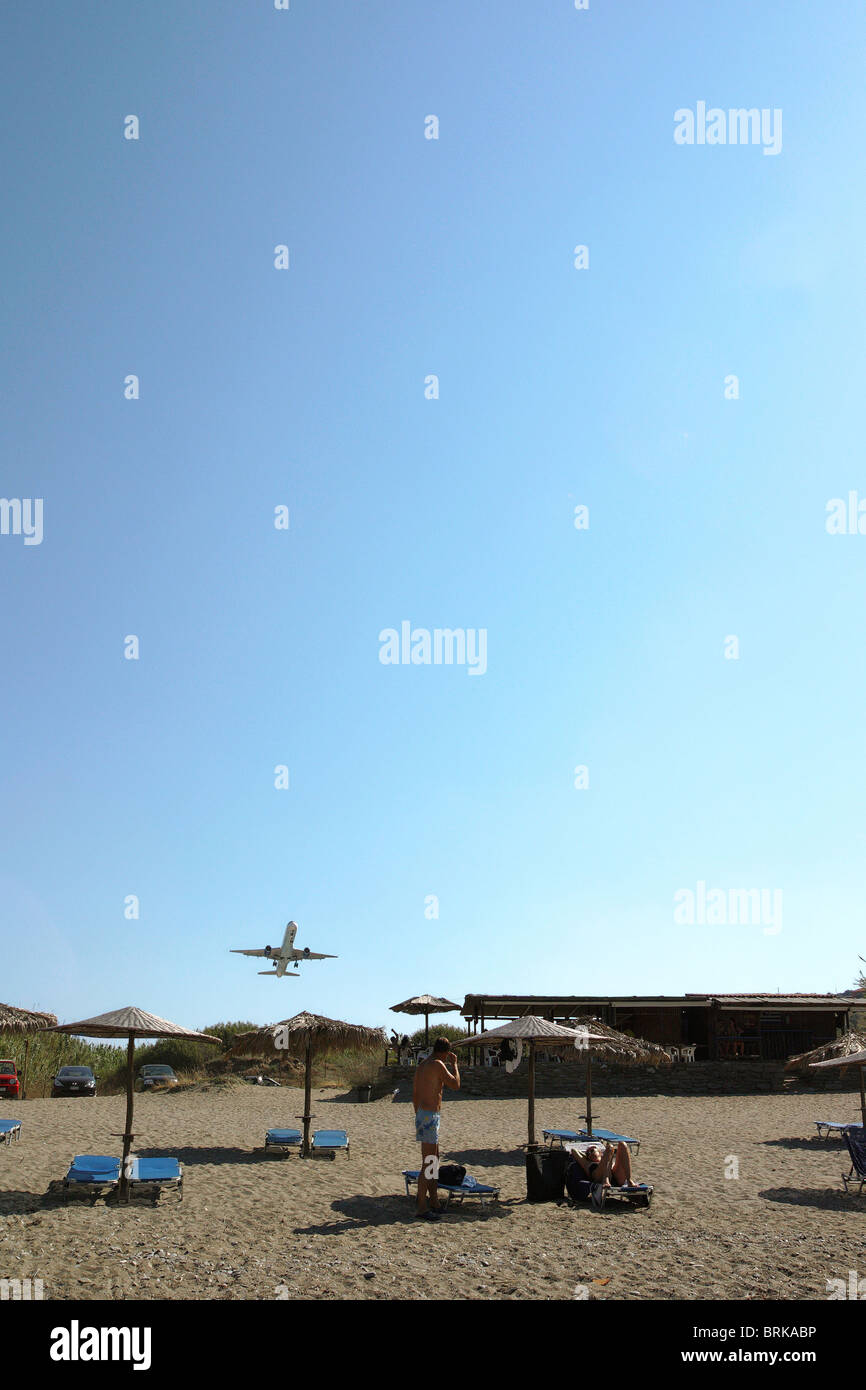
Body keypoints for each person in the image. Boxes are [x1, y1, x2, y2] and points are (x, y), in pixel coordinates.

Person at [412, 1037, 460, 1220]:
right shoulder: (438, 1064)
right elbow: (455, 1084)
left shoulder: (422, 1065)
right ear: (446, 1052)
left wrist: (419, 1115)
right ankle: (422, 1207)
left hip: (424, 1114)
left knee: (434, 1159)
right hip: (429, 1115)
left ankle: (433, 1200)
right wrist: (455, 1065)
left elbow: (415, 1094)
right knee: (429, 1161)